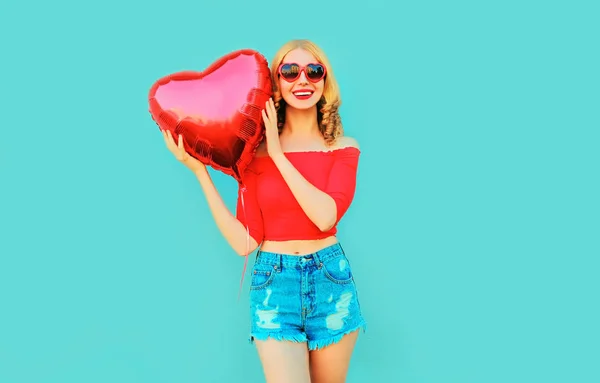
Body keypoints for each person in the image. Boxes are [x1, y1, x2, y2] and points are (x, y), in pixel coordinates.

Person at [161, 39, 366, 383]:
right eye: (290, 71)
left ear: (325, 82)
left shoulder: (343, 148)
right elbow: (245, 242)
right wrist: (200, 173)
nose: (303, 80)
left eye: (314, 72)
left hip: (331, 279)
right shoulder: (253, 156)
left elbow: (325, 217)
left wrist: (279, 155)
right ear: (276, 82)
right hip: (274, 283)